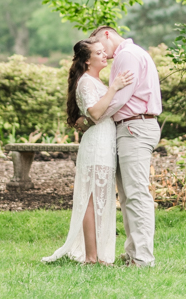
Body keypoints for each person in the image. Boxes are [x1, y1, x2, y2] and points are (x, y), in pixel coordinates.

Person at [42, 38, 133, 265]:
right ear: (87, 60)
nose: (105, 55)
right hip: (96, 144)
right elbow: (94, 113)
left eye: (104, 52)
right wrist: (114, 88)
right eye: (99, 53)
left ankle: (100, 253)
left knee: (102, 198)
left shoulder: (96, 81)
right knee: (92, 199)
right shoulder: (86, 83)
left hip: (105, 141)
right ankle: (91, 257)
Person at [88, 26, 162, 267]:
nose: (101, 52)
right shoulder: (130, 54)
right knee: (128, 194)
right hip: (133, 127)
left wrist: (93, 116)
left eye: (99, 44)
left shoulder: (127, 55)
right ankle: (133, 252)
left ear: (108, 34)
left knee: (137, 193)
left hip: (135, 127)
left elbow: (120, 98)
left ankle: (143, 258)